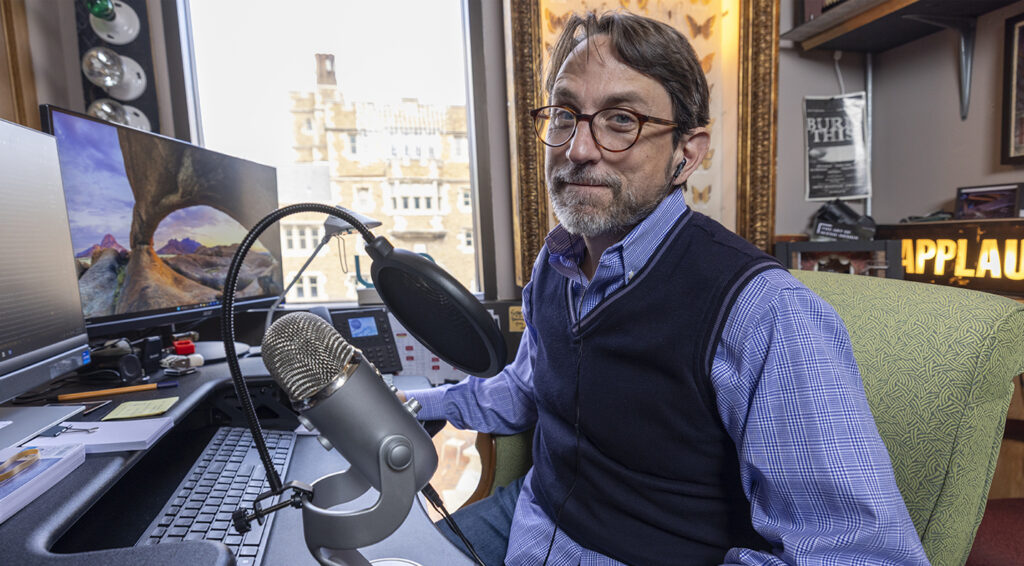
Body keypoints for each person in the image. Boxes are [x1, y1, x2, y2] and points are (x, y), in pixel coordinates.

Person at [404, 10, 929, 566]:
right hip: (532, 518)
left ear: (687, 153)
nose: (579, 149)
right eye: (565, 115)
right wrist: (413, 405)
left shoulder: (767, 314)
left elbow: (863, 556)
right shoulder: (555, 264)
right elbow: (526, 388)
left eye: (621, 120)